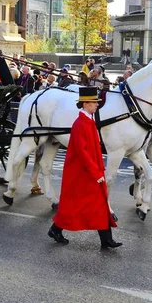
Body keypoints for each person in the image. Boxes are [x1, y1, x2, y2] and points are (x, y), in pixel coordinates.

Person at [48, 86, 120, 249]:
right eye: (94, 102)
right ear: (86, 103)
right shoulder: (81, 123)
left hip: (89, 171)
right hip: (83, 172)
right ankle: (56, 229)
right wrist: (96, 172)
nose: (97, 105)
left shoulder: (87, 121)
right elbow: (82, 152)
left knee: (96, 204)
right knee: (83, 204)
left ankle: (106, 239)